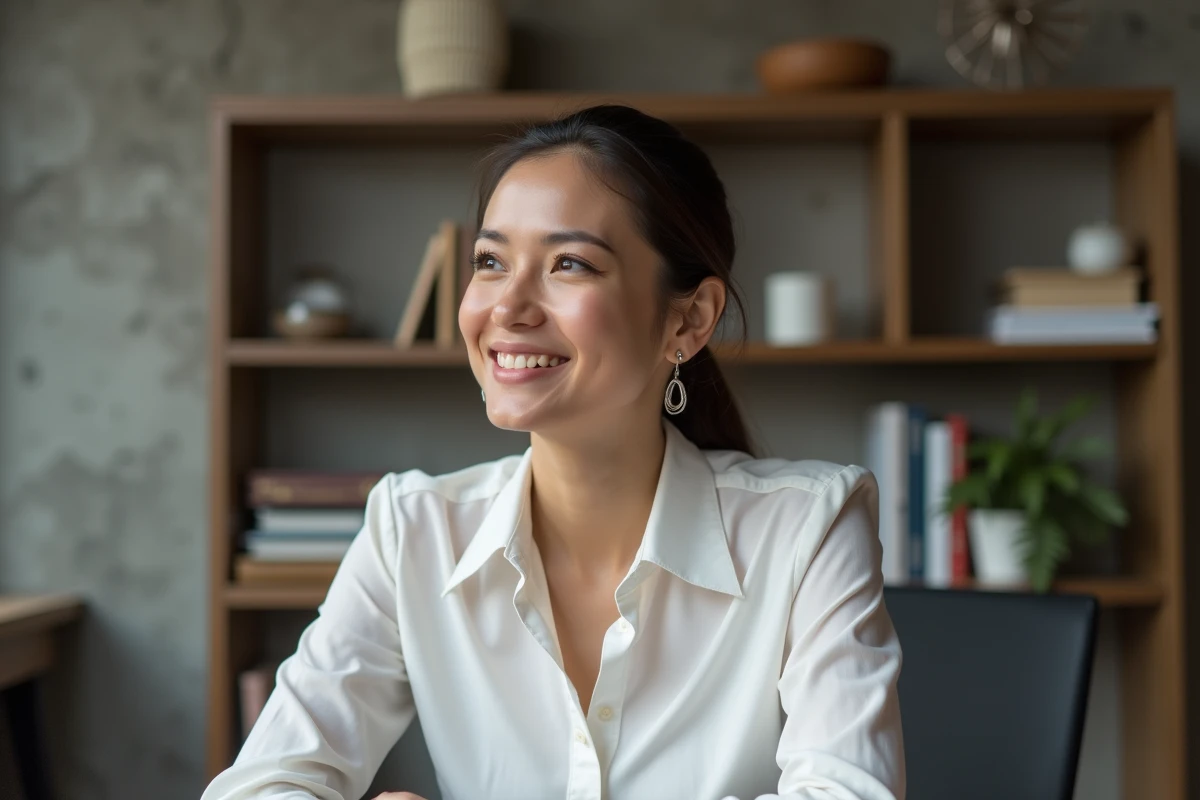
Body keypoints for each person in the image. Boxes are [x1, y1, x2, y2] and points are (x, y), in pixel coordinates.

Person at [202, 104, 905, 800]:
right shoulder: (412, 531)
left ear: (687, 319)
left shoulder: (810, 529)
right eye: (490, 261)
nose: (508, 306)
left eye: (568, 264)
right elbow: (260, 787)